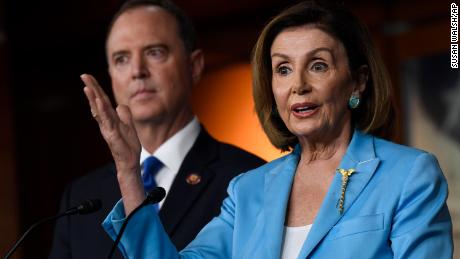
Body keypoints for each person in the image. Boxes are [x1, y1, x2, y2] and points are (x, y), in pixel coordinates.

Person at [87, 1, 453, 258]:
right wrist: (128, 171)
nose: (299, 85)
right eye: (283, 69)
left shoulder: (409, 175)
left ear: (357, 82)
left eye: (319, 66)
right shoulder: (247, 190)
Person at [48, 0, 265, 258]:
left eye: (154, 52)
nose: (137, 71)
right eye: (122, 59)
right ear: (111, 75)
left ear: (194, 66)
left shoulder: (250, 178)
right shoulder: (82, 197)